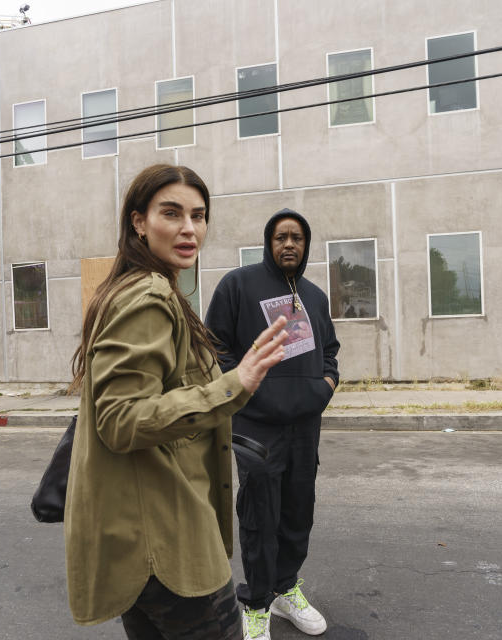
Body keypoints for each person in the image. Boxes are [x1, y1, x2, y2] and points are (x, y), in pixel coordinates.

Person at [63, 164, 289, 640]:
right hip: (165, 546)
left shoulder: (142, 288)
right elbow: (121, 420)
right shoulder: (147, 296)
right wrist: (235, 383)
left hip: (145, 541)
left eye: (199, 215)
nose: (190, 228)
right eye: (172, 213)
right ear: (138, 222)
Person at [205, 209, 340, 640]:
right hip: (255, 426)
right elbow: (215, 347)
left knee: (298, 511)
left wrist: (326, 385)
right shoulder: (238, 286)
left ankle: (286, 588)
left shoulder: (315, 297)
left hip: (304, 426)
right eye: (281, 237)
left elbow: (331, 350)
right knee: (259, 515)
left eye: (297, 238)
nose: (289, 245)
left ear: (305, 245)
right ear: (269, 242)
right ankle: (257, 602)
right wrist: (247, 390)